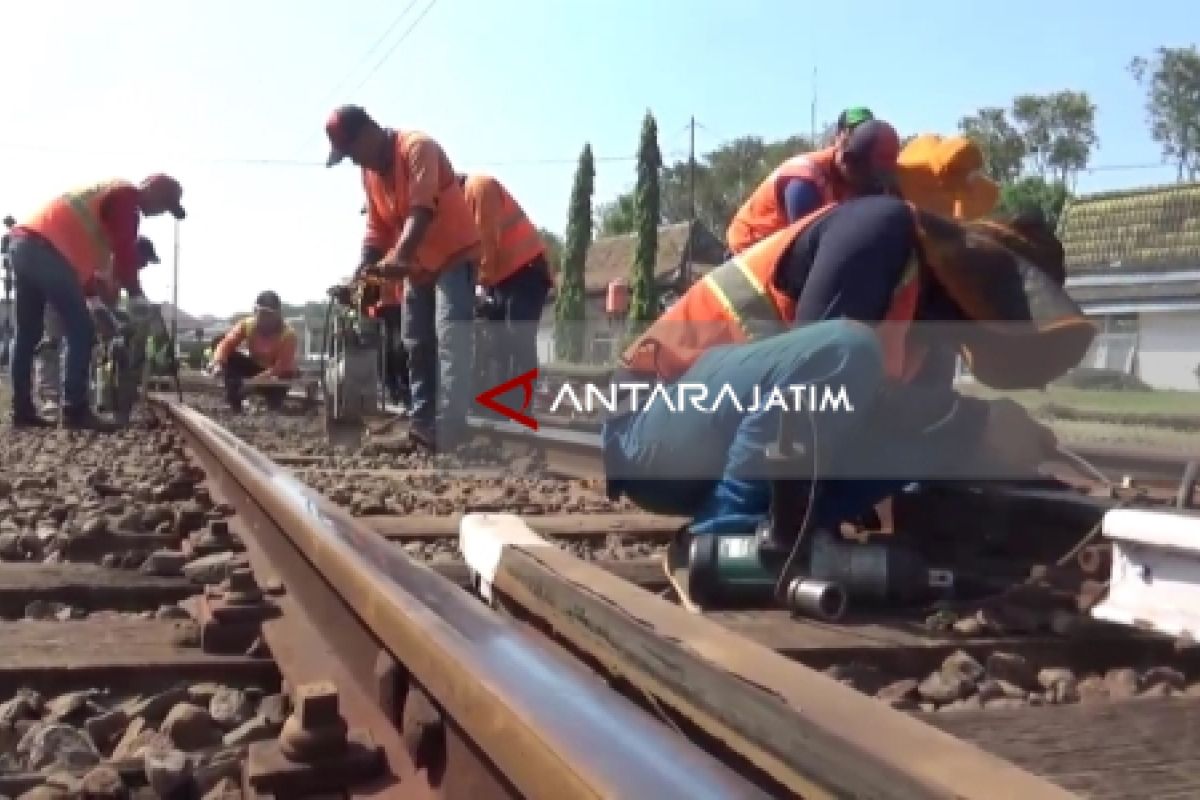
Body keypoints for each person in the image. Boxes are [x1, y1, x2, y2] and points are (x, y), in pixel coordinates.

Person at [603, 195, 1096, 579]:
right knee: (845, 350)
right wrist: (974, 419)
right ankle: (721, 543)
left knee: (940, 437)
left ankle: (785, 539)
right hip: (651, 432)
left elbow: (895, 422)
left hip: (715, 445)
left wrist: (983, 438)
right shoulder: (877, 229)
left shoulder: (930, 337)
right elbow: (814, 392)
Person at [325, 105, 481, 451]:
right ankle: (423, 425)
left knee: (450, 336)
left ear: (367, 132)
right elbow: (377, 227)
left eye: (352, 152)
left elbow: (421, 210)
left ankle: (452, 428)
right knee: (416, 344)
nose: (353, 160)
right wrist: (365, 270)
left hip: (453, 256)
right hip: (417, 266)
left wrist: (399, 257)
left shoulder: (416, 148)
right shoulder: (370, 174)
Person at [7, 176, 185, 430]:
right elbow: (124, 250)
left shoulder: (102, 205)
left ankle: (22, 411)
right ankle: (75, 410)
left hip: (23, 244)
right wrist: (136, 294)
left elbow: (82, 269)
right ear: (152, 189)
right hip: (46, 250)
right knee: (80, 329)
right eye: (164, 204)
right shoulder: (126, 199)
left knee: (28, 332)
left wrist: (97, 304)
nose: (160, 212)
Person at [725, 119, 901, 255]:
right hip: (748, 257)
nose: (875, 185)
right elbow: (810, 248)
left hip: (780, 257)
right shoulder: (804, 181)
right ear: (848, 161)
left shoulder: (855, 180)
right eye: (871, 177)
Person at [37, 236, 162, 414]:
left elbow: (129, 299)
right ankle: (51, 398)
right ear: (132, 256)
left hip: (88, 306)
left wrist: (141, 316)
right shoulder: (106, 263)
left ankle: (78, 398)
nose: (145, 266)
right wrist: (110, 324)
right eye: (144, 260)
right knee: (52, 343)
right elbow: (93, 295)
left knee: (84, 347)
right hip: (60, 295)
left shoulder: (125, 275)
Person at [458, 173, 553, 388]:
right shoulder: (465, 201)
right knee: (497, 343)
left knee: (518, 337)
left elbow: (486, 240)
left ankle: (521, 406)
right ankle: (499, 404)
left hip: (525, 271)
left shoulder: (479, 187)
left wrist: (479, 286)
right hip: (504, 278)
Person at [210, 291, 298, 412]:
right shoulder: (247, 325)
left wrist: (252, 383)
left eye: (269, 315)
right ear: (255, 312)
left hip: (276, 376)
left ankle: (273, 402)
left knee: (281, 385)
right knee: (219, 341)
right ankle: (234, 400)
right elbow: (226, 344)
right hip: (255, 368)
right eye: (261, 314)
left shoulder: (288, 335)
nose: (264, 319)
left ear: (278, 315)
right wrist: (218, 363)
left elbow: (280, 367)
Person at [366, 278, 412, 409]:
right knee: (389, 350)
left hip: (398, 306)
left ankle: (400, 389)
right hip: (385, 308)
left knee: (398, 349)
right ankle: (395, 389)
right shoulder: (374, 261)